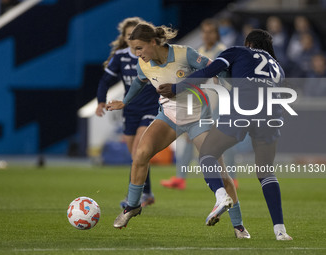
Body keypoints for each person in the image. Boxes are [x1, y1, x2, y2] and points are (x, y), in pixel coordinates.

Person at [106, 22, 250, 239]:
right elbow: (139, 82)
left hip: (198, 117)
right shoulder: (143, 64)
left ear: (153, 42)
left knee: (220, 171)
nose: (137, 53)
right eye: (134, 49)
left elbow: (214, 67)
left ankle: (239, 226)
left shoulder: (184, 53)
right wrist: (124, 102)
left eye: (140, 48)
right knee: (140, 154)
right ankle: (132, 206)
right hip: (169, 117)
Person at [158, 29, 293, 241]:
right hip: (271, 114)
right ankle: (280, 230)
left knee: (207, 154)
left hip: (244, 107)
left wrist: (177, 88)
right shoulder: (279, 68)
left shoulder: (238, 51)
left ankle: (221, 197)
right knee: (266, 172)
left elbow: (206, 72)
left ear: (248, 42)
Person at [96, 17, 159, 208]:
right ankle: (146, 192)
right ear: (125, 38)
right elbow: (105, 81)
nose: (133, 38)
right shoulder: (121, 56)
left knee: (139, 149)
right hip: (130, 110)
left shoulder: (151, 54)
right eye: (129, 34)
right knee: (136, 156)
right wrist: (100, 101)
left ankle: (138, 197)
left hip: (151, 107)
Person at [160, 18, 227, 190]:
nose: (206, 35)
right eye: (204, 31)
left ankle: (229, 178)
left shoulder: (223, 52)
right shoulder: (199, 52)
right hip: (201, 102)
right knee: (190, 139)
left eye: (210, 31)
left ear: (216, 34)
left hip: (219, 102)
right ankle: (180, 177)